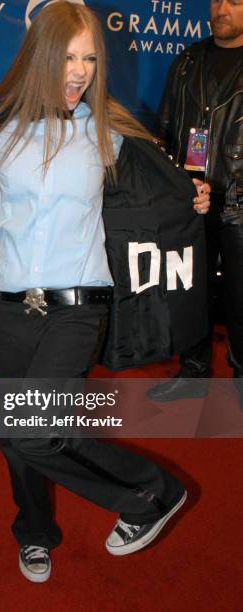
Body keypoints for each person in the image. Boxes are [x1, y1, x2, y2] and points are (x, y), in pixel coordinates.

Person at [0, 2, 210, 583]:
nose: (79, 70)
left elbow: (159, 197)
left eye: (89, 58)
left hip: (80, 307)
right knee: (20, 436)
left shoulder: (110, 134)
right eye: (68, 57)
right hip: (12, 308)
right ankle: (35, 532)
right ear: (40, 58)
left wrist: (193, 197)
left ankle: (151, 493)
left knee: (33, 427)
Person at [148, 0, 243, 407]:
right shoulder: (188, 60)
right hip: (191, 199)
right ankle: (194, 371)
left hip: (240, 201)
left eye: (235, 2)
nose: (221, 8)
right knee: (191, 291)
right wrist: (172, 186)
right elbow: (167, 128)